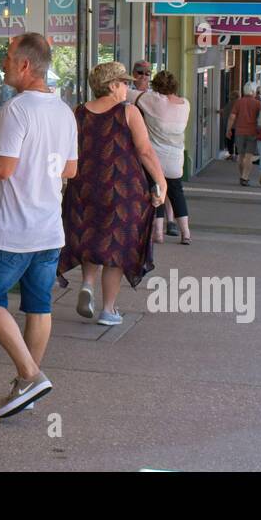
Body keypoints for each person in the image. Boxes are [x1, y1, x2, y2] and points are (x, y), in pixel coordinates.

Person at [0, 33, 78, 418]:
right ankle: (24, 386)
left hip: (12, 230)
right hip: (49, 228)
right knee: (38, 305)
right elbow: (70, 169)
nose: (3, 63)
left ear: (26, 65)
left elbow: (3, 169)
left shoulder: (16, 110)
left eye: (8, 57)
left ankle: (30, 373)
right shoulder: (64, 112)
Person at [63, 62, 166, 329]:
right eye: (124, 83)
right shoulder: (128, 112)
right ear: (112, 86)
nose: (127, 88)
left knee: (90, 235)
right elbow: (144, 151)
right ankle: (108, 310)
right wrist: (161, 182)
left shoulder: (78, 113)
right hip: (122, 190)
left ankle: (87, 284)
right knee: (116, 248)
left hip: (83, 187)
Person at [137, 70, 191, 244]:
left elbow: (129, 94)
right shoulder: (185, 104)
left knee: (156, 191)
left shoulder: (152, 101)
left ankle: (158, 233)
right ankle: (186, 233)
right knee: (177, 194)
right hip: (176, 158)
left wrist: (139, 81)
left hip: (155, 157)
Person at [226, 82, 261, 185]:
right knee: (249, 156)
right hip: (252, 132)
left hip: (239, 132)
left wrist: (228, 129)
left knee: (241, 155)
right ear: (252, 91)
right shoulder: (257, 103)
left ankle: (242, 175)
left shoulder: (238, 102)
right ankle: (245, 177)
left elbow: (232, 117)